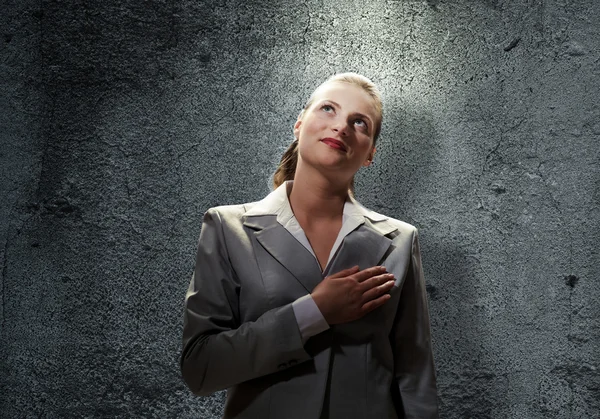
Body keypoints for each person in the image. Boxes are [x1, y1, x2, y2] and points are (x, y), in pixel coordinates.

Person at [181, 73, 439, 418]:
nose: (342, 127)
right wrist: (313, 312)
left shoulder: (400, 241)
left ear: (370, 155)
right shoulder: (228, 228)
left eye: (359, 123)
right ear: (299, 124)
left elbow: (415, 376)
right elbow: (200, 367)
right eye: (328, 109)